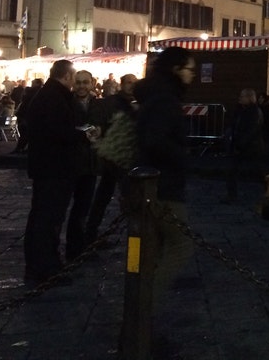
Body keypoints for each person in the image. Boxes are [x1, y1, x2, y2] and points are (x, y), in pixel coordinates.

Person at [134, 46, 197, 311]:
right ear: (176, 70)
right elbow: (156, 141)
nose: (193, 75)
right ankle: (142, 311)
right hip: (163, 185)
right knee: (181, 245)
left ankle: (139, 318)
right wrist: (183, 157)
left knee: (153, 251)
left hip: (153, 183)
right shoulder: (165, 100)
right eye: (190, 70)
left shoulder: (157, 95)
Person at [23, 59, 81, 284]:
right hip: (54, 168)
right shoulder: (54, 98)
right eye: (74, 77)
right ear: (67, 76)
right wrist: (82, 134)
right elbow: (59, 133)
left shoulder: (47, 95)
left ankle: (40, 265)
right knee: (48, 218)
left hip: (47, 166)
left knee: (43, 217)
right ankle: (45, 267)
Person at [85, 73, 138, 244]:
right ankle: (91, 233)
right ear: (121, 84)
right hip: (113, 156)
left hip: (123, 157)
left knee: (106, 196)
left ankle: (92, 233)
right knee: (109, 196)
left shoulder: (134, 104)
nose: (131, 85)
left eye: (133, 83)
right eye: (128, 82)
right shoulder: (112, 103)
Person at [66, 69, 100, 260]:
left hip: (91, 163)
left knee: (83, 207)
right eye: (78, 82)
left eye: (85, 82)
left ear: (92, 83)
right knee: (69, 208)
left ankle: (80, 246)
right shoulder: (67, 103)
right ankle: (73, 248)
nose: (81, 86)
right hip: (72, 163)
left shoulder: (97, 104)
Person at [225, 88, 265, 202]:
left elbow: (252, 130)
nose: (240, 98)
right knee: (232, 170)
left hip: (251, 146)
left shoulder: (254, 112)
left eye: (242, 96)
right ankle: (231, 195)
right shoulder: (241, 110)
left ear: (249, 98)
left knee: (258, 172)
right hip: (242, 145)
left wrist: (241, 143)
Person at [11, 78, 43, 154]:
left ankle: (20, 148)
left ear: (37, 83)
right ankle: (24, 148)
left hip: (25, 114)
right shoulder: (38, 91)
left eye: (33, 82)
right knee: (26, 132)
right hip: (27, 114)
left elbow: (26, 103)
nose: (31, 83)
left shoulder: (33, 92)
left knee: (24, 131)